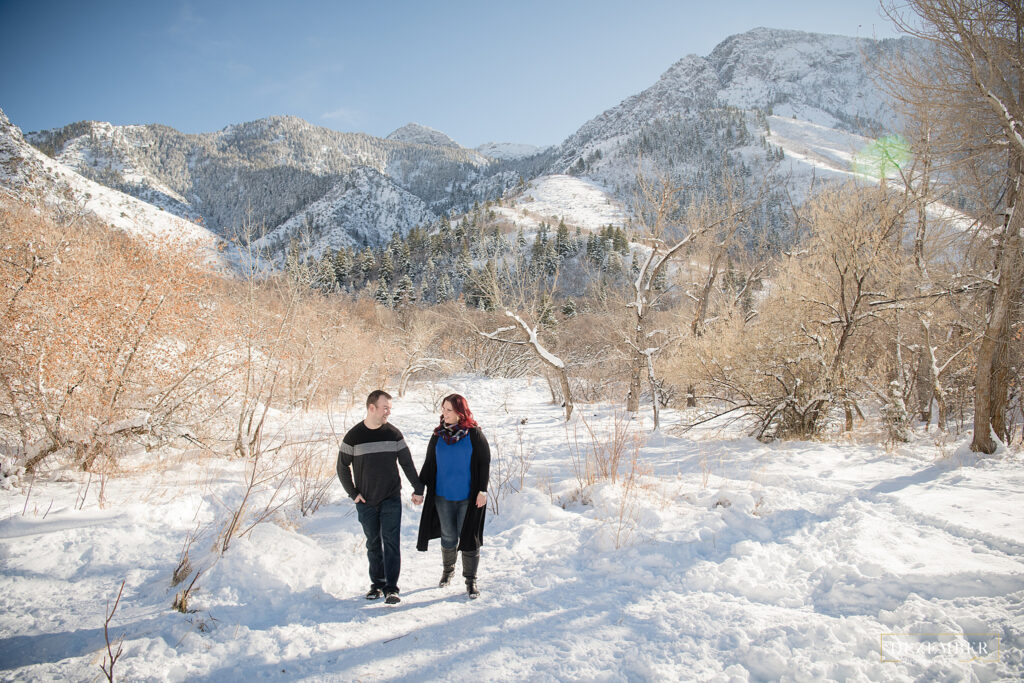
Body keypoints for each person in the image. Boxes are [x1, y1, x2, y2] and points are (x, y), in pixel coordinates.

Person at [337, 390, 423, 605]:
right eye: (385, 408)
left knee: (391, 542)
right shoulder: (354, 436)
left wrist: (418, 488)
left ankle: (391, 589)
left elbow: (406, 463)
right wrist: (353, 494)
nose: (388, 412)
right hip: (366, 501)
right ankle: (377, 584)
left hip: (391, 498)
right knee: (373, 543)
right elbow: (341, 467)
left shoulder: (393, 434)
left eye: (390, 409)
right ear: (371, 407)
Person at [416, 393, 490, 599]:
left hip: (469, 497)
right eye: (443, 409)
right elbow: (429, 464)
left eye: (449, 410)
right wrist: (419, 489)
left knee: (469, 538)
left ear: (460, 412)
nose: (444, 413)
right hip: (442, 497)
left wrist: (482, 490)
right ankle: (447, 572)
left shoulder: (474, 434)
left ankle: (470, 580)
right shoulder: (437, 435)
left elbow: (484, 463)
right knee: (448, 536)